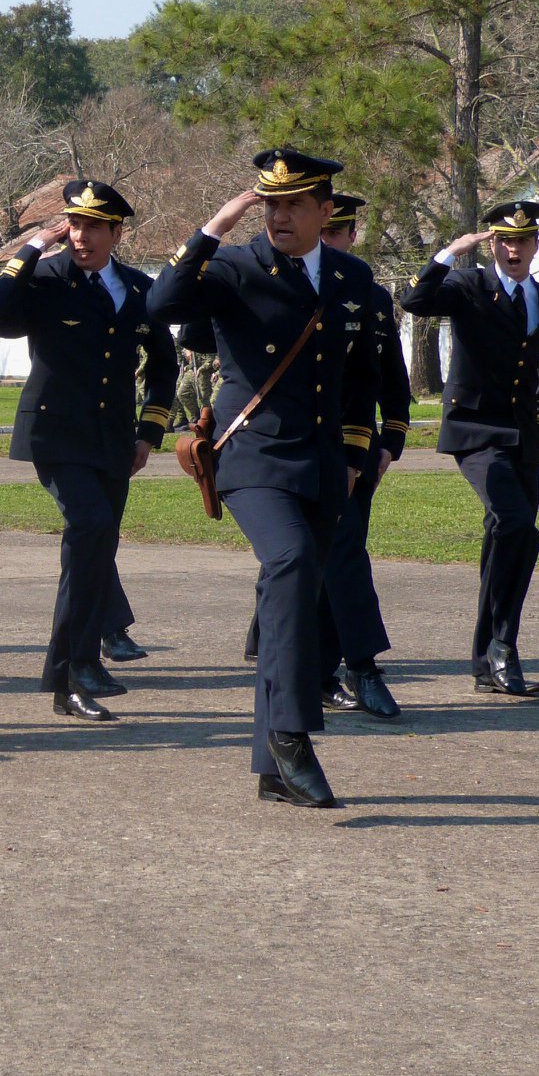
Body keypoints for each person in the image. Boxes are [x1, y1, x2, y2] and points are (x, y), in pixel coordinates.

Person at [148, 150, 381, 809]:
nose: (278, 216)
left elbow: (362, 369)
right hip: (253, 456)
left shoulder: (352, 276)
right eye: (269, 204)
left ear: (324, 211)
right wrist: (213, 228)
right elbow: (164, 303)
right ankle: (290, 735)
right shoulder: (235, 266)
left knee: (295, 597)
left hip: (324, 463)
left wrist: (359, 450)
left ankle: (271, 771)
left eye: (293, 205)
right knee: (290, 561)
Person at [0, 179, 174, 722]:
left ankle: (71, 668)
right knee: (89, 529)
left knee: (96, 546)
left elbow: (164, 363)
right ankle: (77, 664)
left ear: (117, 232)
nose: (82, 236)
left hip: (113, 440)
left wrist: (149, 432)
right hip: (55, 434)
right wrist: (31, 247)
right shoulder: (44, 278)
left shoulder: (137, 289)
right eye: (75, 224)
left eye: (94, 226)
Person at [401, 199, 539, 699]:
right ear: (493, 244)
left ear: (537, 245)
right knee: (516, 523)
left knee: (513, 537)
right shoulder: (469, 286)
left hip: (522, 436)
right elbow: (415, 302)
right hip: (475, 430)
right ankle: (499, 649)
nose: (514, 250)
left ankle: (492, 654)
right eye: (504, 241)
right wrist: (450, 252)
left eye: (523, 241)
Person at [312, 192, 409, 718]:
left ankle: (327, 670)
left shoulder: (369, 295)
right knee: (336, 553)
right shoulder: (283, 283)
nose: (329, 242)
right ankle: (360, 666)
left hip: (355, 446)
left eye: (336, 234)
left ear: (350, 235)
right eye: (322, 234)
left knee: (339, 552)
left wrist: (391, 437)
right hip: (296, 446)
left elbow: (388, 372)